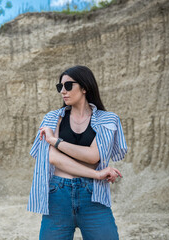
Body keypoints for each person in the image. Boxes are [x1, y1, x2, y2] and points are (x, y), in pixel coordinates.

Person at [27, 65, 127, 240]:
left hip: (92, 196)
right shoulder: (52, 118)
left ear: (84, 87)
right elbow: (53, 157)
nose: (62, 91)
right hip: (58, 193)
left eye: (68, 86)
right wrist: (96, 174)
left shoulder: (107, 119)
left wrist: (55, 141)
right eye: (60, 87)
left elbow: (93, 155)